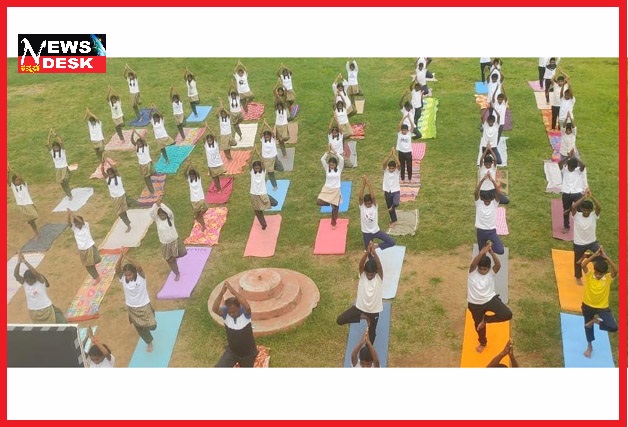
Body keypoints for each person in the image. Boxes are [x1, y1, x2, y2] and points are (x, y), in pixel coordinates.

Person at [467, 241, 512, 353]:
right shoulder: (472, 273)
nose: (482, 271)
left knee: (507, 314)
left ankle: (486, 319)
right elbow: (473, 264)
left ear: (488, 268)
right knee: (479, 327)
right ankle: (483, 342)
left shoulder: (491, 273)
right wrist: (482, 253)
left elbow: (498, 265)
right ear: (478, 267)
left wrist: (491, 252)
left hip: (490, 300)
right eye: (480, 269)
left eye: (485, 269)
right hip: (475, 305)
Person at [337, 243, 384, 344]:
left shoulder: (378, 279)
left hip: (374, 312)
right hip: (360, 308)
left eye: (371, 274)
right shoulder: (362, 276)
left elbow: (379, 267)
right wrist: (367, 252)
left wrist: (374, 253)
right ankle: (364, 316)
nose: (369, 276)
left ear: (375, 273)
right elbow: (361, 264)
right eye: (367, 274)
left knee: (371, 336)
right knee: (340, 320)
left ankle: (369, 348)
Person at [580, 247, 619, 358]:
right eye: (596, 273)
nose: (597, 276)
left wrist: (606, 257)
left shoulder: (608, 278)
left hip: (602, 307)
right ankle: (589, 346)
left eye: (600, 274)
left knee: (613, 327)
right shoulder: (590, 275)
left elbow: (616, 271)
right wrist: (595, 255)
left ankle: (595, 321)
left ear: (605, 273)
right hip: (587, 306)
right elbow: (583, 265)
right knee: (587, 327)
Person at [115, 250, 156, 353]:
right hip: (132, 308)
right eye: (126, 275)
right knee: (139, 328)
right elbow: (117, 269)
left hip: (144, 305)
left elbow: (139, 266)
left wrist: (127, 257)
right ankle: (149, 342)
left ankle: (149, 318)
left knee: (153, 326)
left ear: (134, 272)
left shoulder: (141, 277)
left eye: (130, 275)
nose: (128, 277)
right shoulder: (123, 279)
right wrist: (120, 257)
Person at [212, 280, 259, 367]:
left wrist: (233, 292)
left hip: (247, 354)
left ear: (239, 308)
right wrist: (221, 293)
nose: (231, 314)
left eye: (234, 312)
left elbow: (246, 305)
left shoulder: (245, 314)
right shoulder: (226, 313)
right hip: (232, 352)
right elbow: (214, 309)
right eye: (229, 312)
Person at [13, 250, 67, 324]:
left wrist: (25, 262)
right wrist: (19, 262)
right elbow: (16, 275)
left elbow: (35, 273)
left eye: (30, 280)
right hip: (34, 312)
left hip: (46, 309)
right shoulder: (25, 283)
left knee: (57, 318)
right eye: (27, 280)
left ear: (35, 278)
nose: (29, 282)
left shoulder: (40, 281)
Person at [149, 198, 187, 281]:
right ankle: (177, 273)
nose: (162, 216)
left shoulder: (171, 218)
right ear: (158, 215)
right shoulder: (157, 220)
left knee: (184, 252)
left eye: (163, 214)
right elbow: (151, 213)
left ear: (166, 214)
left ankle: (174, 256)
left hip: (175, 241)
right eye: (160, 214)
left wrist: (161, 205)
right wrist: (156, 205)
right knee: (170, 260)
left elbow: (169, 212)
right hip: (165, 244)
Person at [570, 189, 602, 285]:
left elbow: (599, 207)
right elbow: (574, 207)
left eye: (588, 211)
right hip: (579, 244)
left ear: (591, 211)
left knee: (602, 255)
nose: (586, 212)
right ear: (581, 209)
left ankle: (586, 256)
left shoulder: (593, 216)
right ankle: (578, 277)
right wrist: (584, 197)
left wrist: (591, 196)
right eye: (584, 210)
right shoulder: (577, 216)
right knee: (577, 262)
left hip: (592, 242)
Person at [358, 176, 396, 251]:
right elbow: (360, 198)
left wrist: (369, 185)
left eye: (369, 203)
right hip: (366, 233)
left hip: (376, 231)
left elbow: (373, 197)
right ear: (364, 203)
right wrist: (363, 185)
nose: (368, 205)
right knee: (369, 252)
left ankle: (376, 246)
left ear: (372, 202)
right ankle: (370, 251)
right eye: (366, 204)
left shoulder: (374, 206)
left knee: (391, 242)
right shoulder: (362, 207)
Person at [67, 210, 101, 284]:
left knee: (98, 259)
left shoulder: (86, 225)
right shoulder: (74, 228)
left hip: (90, 247)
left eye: (79, 223)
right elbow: (69, 223)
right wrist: (69, 215)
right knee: (88, 266)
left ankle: (92, 264)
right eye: (76, 224)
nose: (78, 225)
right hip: (82, 250)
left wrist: (73, 214)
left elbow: (80, 222)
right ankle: (97, 278)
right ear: (75, 224)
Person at [474, 173, 505, 255]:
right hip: (481, 231)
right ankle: (485, 247)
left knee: (500, 250)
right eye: (485, 200)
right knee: (481, 253)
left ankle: (489, 246)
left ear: (491, 199)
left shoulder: (494, 203)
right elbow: (475, 193)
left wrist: (493, 181)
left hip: (491, 231)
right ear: (482, 199)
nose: (487, 202)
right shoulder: (479, 203)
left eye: (488, 200)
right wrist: (482, 180)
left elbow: (499, 194)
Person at [248, 148, 278, 230]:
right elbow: (249, 162)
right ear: (253, 168)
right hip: (254, 194)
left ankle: (266, 204)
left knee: (275, 203)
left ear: (260, 168)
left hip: (263, 193)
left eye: (258, 168)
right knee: (257, 211)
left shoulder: (263, 172)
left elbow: (262, 162)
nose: (257, 169)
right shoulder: (252, 172)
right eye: (255, 168)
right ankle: (263, 224)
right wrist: (253, 152)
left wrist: (258, 153)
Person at [8, 164, 40, 239]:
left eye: (18, 180)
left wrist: (12, 170)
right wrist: (8, 173)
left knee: (35, 215)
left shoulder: (24, 185)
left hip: (28, 204)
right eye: (16, 180)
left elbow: (20, 177)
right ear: (13, 181)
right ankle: (36, 233)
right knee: (32, 221)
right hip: (21, 205)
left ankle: (29, 221)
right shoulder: (13, 187)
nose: (18, 181)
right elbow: (7, 181)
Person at [100, 161, 132, 233]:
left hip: (122, 196)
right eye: (109, 174)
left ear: (114, 173)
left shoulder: (118, 177)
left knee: (123, 211)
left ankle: (128, 223)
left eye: (111, 173)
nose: (110, 175)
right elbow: (102, 171)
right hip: (114, 198)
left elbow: (115, 169)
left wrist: (108, 162)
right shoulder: (107, 179)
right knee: (120, 213)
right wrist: (102, 163)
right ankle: (128, 223)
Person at [316, 149, 345, 229]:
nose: (331, 166)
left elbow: (342, 159)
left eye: (333, 165)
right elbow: (322, 159)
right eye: (330, 165)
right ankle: (330, 203)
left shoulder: (339, 169)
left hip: (336, 189)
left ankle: (333, 223)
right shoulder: (326, 168)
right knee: (319, 201)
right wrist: (327, 152)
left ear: (336, 164)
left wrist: (335, 153)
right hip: (327, 188)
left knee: (335, 208)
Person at [558, 154, 586, 234]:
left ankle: (581, 226)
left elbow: (583, 165)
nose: (571, 169)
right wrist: (568, 157)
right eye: (570, 167)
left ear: (575, 167)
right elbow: (559, 164)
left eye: (573, 167)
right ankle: (566, 226)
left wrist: (575, 157)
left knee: (580, 210)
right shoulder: (564, 170)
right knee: (566, 211)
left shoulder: (578, 171)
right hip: (566, 193)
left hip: (577, 193)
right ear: (567, 165)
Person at [46, 129, 73, 200]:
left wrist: (56, 135)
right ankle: (68, 194)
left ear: (59, 147)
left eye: (57, 147)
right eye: (54, 148)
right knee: (62, 183)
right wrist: (49, 136)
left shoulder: (63, 151)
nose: (55, 149)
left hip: (64, 168)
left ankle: (68, 191)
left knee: (65, 180)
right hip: (58, 169)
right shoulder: (52, 152)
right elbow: (47, 144)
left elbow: (61, 142)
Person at [183, 159, 208, 232]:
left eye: (193, 175)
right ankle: (203, 225)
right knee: (197, 216)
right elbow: (184, 173)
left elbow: (197, 172)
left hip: (201, 199)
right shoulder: (189, 180)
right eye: (190, 176)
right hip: (194, 200)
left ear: (195, 175)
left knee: (205, 209)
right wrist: (188, 165)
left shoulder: (198, 179)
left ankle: (200, 217)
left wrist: (192, 165)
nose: (191, 177)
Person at [259, 123, 285, 191]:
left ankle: (272, 167)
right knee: (270, 173)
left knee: (281, 169)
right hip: (266, 159)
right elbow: (260, 133)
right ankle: (275, 186)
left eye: (268, 136)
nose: (267, 137)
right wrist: (263, 125)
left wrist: (266, 124)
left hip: (274, 157)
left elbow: (272, 132)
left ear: (270, 136)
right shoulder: (262, 140)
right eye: (265, 136)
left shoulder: (273, 139)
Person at [130, 128, 155, 194]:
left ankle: (152, 175)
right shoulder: (137, 147)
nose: (139, 144)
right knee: (146, 178)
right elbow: (132, 140)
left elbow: (143, 139)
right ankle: (151, 190)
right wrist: (132, 133)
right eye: (138, 143)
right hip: (142, 165)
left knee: (151, 173)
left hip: (148, 163)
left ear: (142, 143)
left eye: (140, 143)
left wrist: (136, 133)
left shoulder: (146, 146)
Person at [203, 125, 226, 193]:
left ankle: (219, 177)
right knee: (215, 178)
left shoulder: (216, 144)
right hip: (211, 165)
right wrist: (205, 129)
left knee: (222, 173)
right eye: (208, 141)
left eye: (211, 140)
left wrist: (209, 128)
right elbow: (204, 138)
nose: (209, 141)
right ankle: (219, 189)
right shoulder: (206, 145)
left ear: (213, 140)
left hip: (218, 164)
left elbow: (214, 135)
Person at [382, 148, 401, 226]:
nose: (391, 169)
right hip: (387, 191)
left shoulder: (397, 171)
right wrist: (390, 155)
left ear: (395, 168)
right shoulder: (386, 170)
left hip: (395, 190)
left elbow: (399, 164)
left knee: (396, 203)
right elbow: (384, 164)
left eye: (393, 168)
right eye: (390, 168)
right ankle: (394, 220)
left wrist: (394, 155)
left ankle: (392, 207)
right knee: (389, 207)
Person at [395, 116, 415, 182]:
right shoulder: (399, 134)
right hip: (401, 152)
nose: (404, 131)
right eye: (403, 130)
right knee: (402, 166)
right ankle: (402, 178)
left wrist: (409, 118)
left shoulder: (409, 134)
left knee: (409, 166)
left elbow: (412, 126)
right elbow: (399, 125)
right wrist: (403, 118)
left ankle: (410, 177)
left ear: (407, 130)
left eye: (405, 130)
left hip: (408, 152)